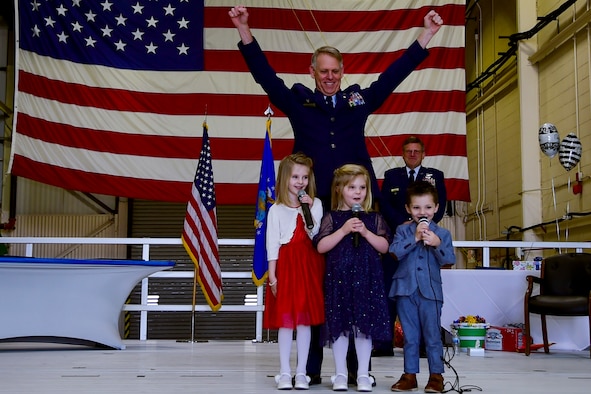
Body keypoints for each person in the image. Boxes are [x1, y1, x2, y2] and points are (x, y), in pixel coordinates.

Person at [228, 6, 444, 384]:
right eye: (323, 71)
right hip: (313, 209)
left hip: (356, 206)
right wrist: (244, 30)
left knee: (364, 283)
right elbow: (267, 78)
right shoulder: (299, 102)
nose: (329, 77)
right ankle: (310, 370)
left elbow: (392, 77)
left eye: (335, 71)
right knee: (316, 282)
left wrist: (424, 36)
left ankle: (363, 371)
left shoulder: (356, 102)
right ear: (313, 73)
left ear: (342, 74)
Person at [314, 164, 391, 392]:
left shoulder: (373, 219)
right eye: (351, 187)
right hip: (339, 279)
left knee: (363, 327)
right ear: (339, 189)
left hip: (367, 279)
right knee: (341, 328)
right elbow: (321, 246)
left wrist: (366, 233)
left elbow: (385, 247)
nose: (358, 192)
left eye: (362, 187)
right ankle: (339, 374)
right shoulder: (333, 218)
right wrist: (344, 230)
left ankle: (363, 374)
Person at [375, 136, 447, 357]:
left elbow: (441, 204)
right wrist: (404, 224)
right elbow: (385, 204)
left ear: (423, 154)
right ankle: (384, 343)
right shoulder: (392, 176)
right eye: (409, 151)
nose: (413, 154)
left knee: (425, 294)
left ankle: (426, 346)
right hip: (398, 239)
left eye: (417, 151)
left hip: (426, 241)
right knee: (390, 291)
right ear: (403, 154)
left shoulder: (435, 176)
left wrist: (421, 224)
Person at [264, 153, 325, 390]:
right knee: (286, 321)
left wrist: (308, 209)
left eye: (305, 177)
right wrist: (272, 275)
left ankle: (302, 372)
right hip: (286, 266)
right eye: (295, 177)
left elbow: (315, 234)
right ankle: (284, 371)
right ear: (284, 179)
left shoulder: (316, 204)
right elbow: (272, 244)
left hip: (308, 265)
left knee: (304, 321)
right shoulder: (276, 209)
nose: (300, 182)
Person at [388, 181, 455, 393]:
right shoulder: (402, 230)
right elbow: (395, 252)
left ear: (436, 208)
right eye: (416, 208)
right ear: (408, 209)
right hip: (405, 290)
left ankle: (436, 375)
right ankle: (410, 374)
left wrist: (436, 244)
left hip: (431, 292)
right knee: (410, 335)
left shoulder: (442, 234)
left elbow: (449, 259)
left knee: (432, 335)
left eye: (427, 207)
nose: (422, 212)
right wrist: (415, 238)